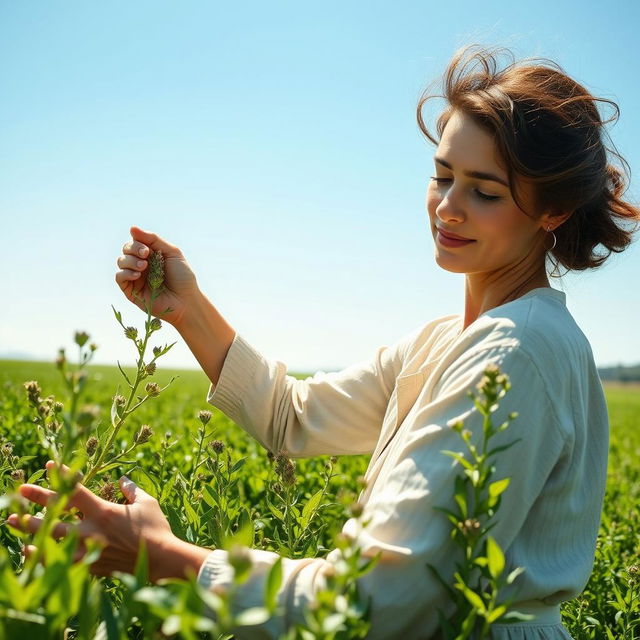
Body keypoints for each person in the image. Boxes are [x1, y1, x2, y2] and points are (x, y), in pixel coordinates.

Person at [9, 45, 640, 638]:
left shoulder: (515, 350)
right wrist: (186, 309)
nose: (448, 207)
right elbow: (294, 416)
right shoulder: (448, 340)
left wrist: (166, 556)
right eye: (442, 175)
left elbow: (380, 600)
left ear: (552, 211)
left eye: (484, 191)